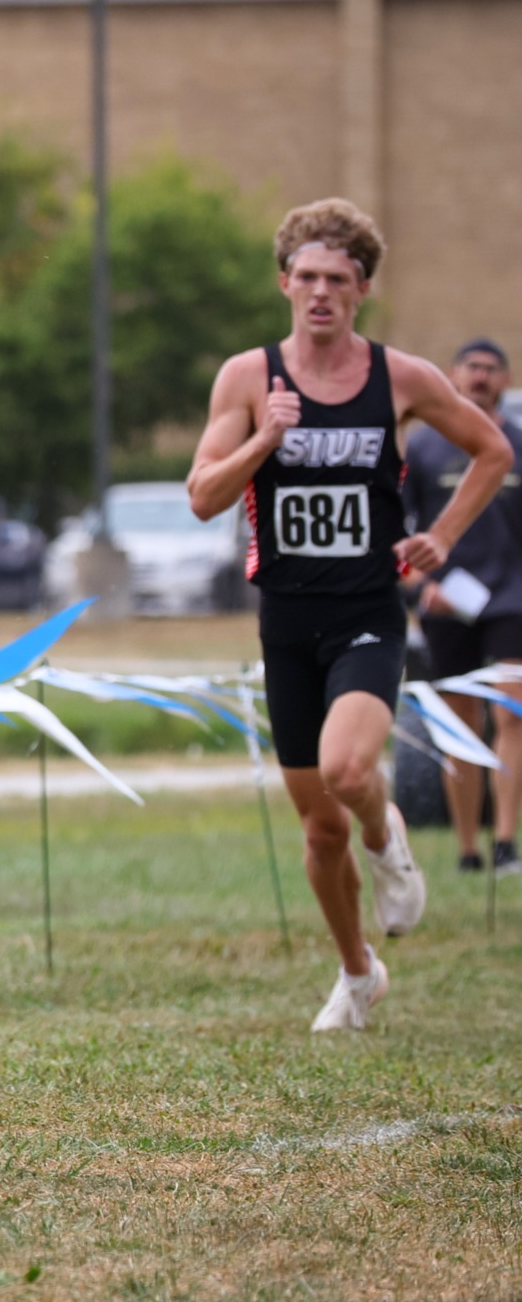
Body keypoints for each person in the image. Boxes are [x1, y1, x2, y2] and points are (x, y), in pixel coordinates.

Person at [186, 199, 511, 1032]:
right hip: (285, 618)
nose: (321, 292)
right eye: (307, 277)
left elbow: (493, 450)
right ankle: (358, 972)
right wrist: (264, 441)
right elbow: (202, 496)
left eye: (338, 278)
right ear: (284, 284)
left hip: (368, 611)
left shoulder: (400, 377)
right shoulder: (247, 377)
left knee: (348, 773)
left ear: (362, 288)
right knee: (319, 831)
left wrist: (442, 536)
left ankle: (387, 837)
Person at [402, 338, 522, 875]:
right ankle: (468, 850)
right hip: (447, 601)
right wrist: (419, 588)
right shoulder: (424, 448)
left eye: (491, 369)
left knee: (511, 714)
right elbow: (397, 532)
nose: (481, 376)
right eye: (472, 367)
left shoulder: (517, 443)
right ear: (452, 375)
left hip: (512, 599)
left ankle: (506, 843)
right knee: (460, 723)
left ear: (504, 380)